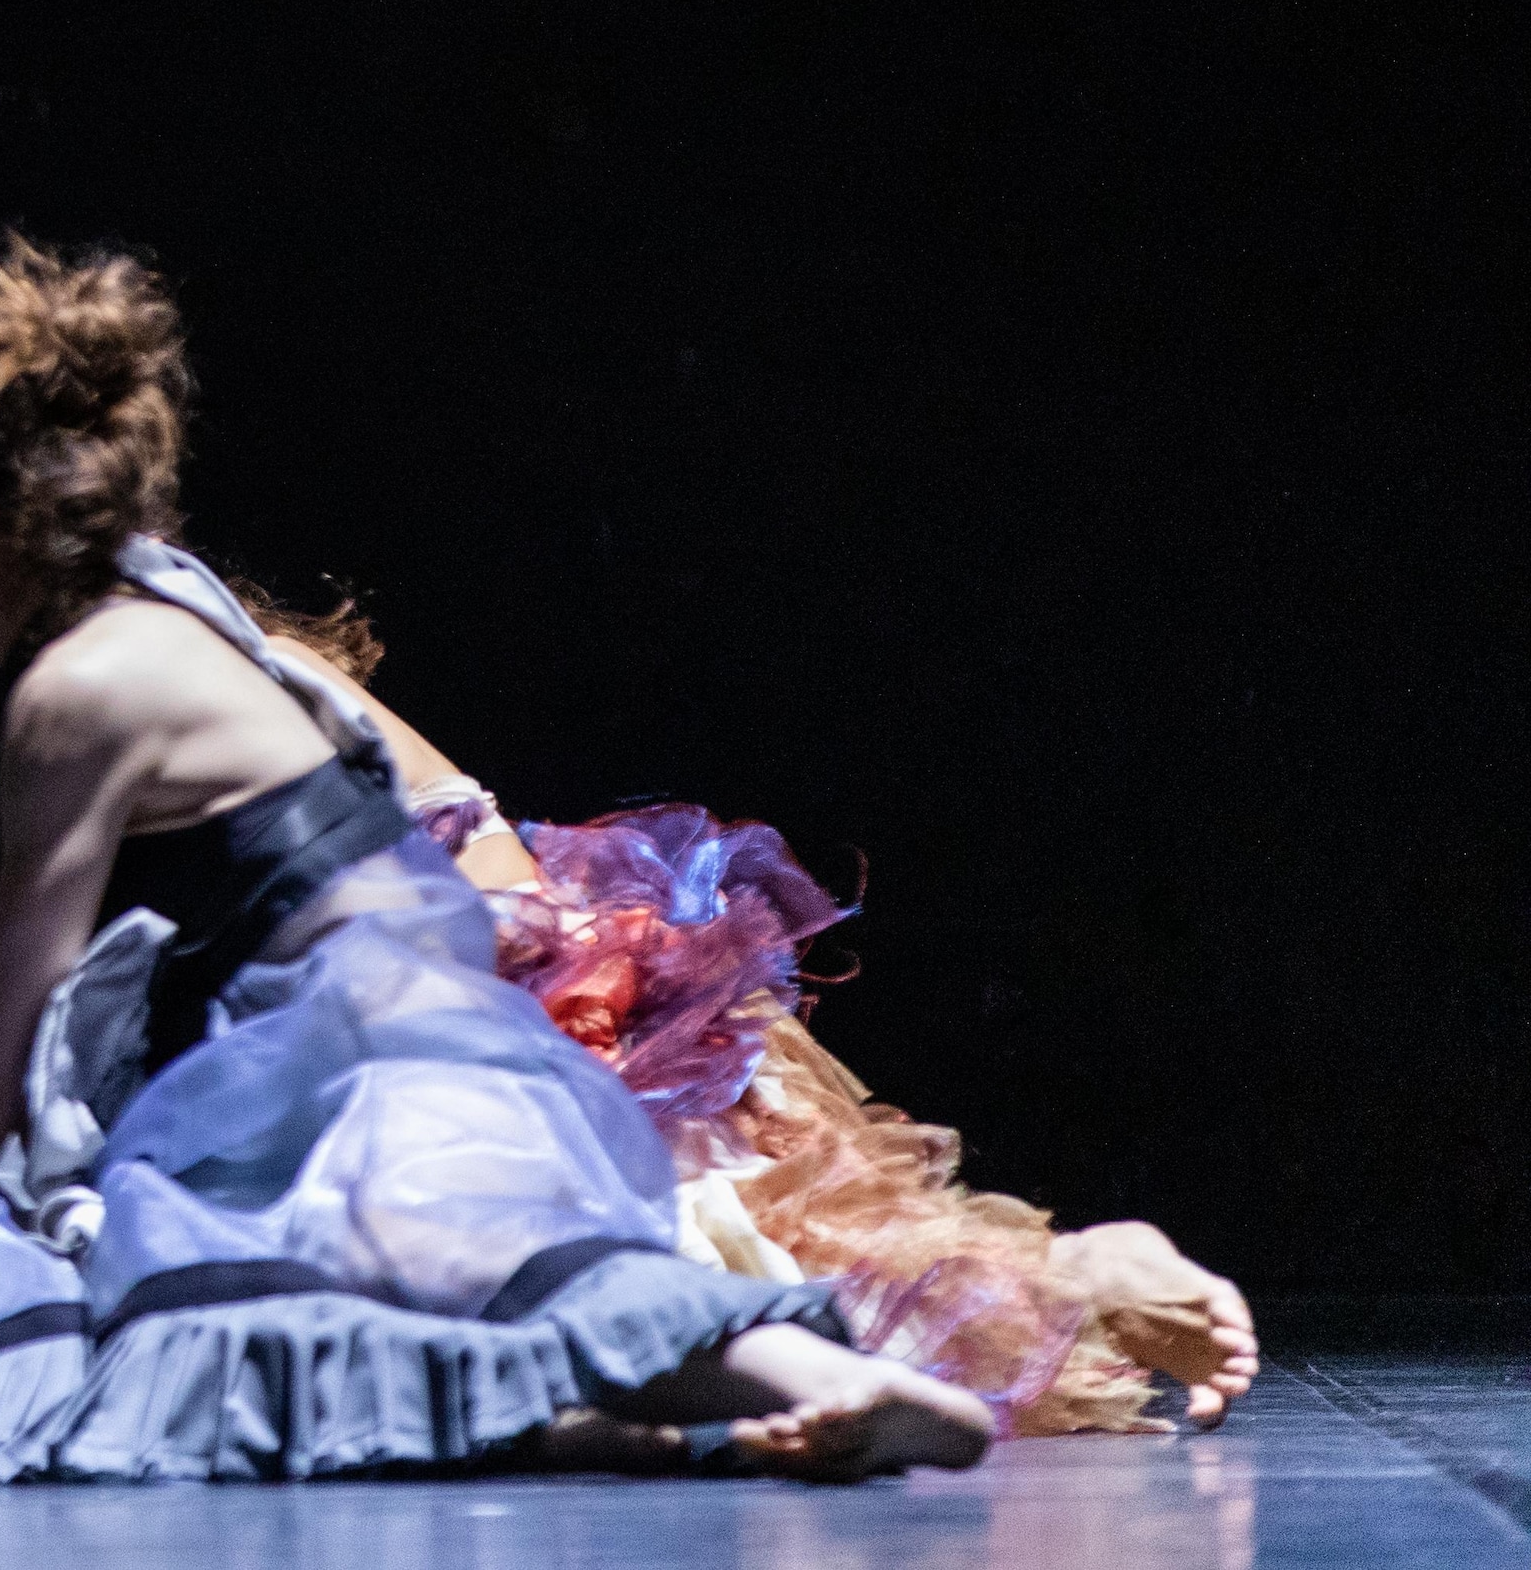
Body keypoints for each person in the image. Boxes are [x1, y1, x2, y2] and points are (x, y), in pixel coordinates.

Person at [0, 239, 1000, 1482]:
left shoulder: (78, 693)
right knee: (311, 1321)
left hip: (358, 1033)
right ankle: (730, 1412)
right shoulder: (141, 615)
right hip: (324, 1020)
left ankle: (832, 1377)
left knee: (466, 1263)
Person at [244, 599, 1265, 1434]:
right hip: (471, 1015)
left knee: (745, 1292)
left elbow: (476, 862)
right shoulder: (177, 668)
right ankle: (1057, 1284)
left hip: (550, 1014)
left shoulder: (235, 662)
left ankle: (1079, 1272)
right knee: (769, 1292)